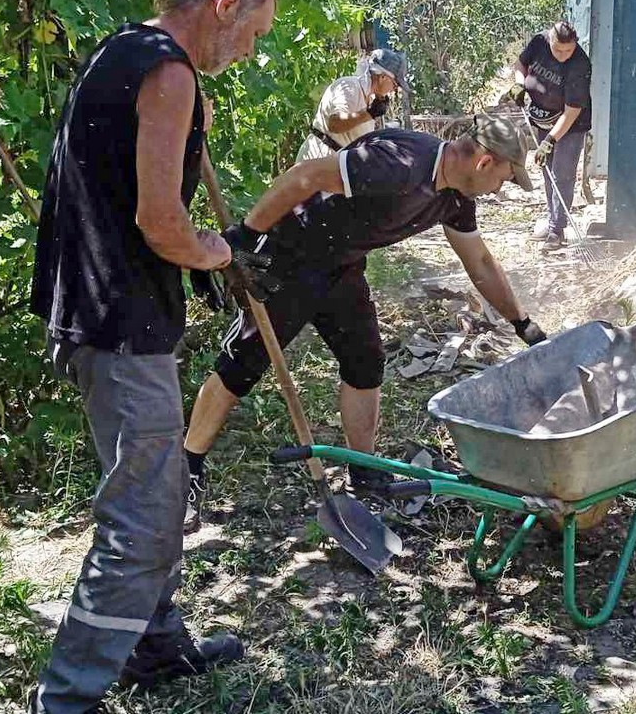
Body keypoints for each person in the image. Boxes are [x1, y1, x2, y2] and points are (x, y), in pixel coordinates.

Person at [27, 0, 277, 714]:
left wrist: (194, 247)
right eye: (254, 34)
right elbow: (159, 221)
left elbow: (121, 196)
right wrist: (218, 250)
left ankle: (155, 643)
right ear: (225, 5)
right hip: (120, 324)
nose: (249, 52)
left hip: (92, 309)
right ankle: (66, 698)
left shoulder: (121, 50)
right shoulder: (169, 74)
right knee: (140, 523)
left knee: (158, 491)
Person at [181, 115, 548, 533]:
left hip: (342, 265)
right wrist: (246, 237)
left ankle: (364, 470)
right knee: (242, 365)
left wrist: (522, 324)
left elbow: (479, 262)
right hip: (290, 258)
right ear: (484, 162)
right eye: (505, 177)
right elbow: (306, 177)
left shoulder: (455, 199)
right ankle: (187, 467)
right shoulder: (402, 163)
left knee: (365, 363)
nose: (502, 188)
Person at [508, 21, 592, 251]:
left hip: (571, 125)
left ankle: (557, 231)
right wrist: (519, 86)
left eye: (569, 50)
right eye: (558, 49)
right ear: (550, 41)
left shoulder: (580, 65)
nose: (563, 55)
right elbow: (520, 64)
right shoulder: (539, 42)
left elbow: (572, 111)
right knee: (548, 172)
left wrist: (550, 141)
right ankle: (552, 221)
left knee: (562, 174)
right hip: (543, 118)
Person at [295, 48, 410, 161]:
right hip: (318, 158)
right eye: (395, 84)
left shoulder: (369, 100)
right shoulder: (350, 86)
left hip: (333, 164)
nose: (394, 89)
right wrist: (369, 113)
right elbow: (334, 124)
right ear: (383, 77)